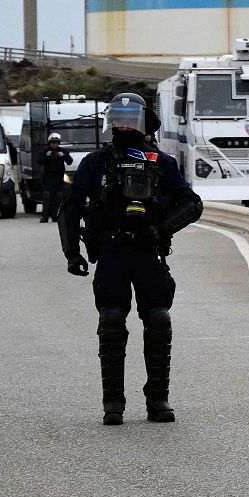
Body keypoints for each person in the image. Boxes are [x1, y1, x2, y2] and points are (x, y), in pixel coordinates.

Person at [59, 93, 203, 426]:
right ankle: (113, 403)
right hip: (111, 251)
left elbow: (192, 204)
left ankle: (158, 400)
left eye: (130, 119)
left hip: (148, 251)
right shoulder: (96, 163)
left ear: (143, 122)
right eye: (118, 119)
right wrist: (72, 253)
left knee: (158, 320)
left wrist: (161, 229)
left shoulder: (160, 162)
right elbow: (69, 207)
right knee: (111, 321)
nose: (123, 125)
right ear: (110, 122)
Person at [38, 133, 73, 223]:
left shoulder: (62, 151)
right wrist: (46, 156)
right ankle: (45, 216)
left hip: (59, 178)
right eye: (52, 142)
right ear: (49, 143)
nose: (54, 144)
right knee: (46, 196)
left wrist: (63, 156)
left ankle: (55, 216)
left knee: (58, 196)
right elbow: (39, 161)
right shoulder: (45, 151)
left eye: (56, 142)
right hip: (48, 178)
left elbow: (70, 161)